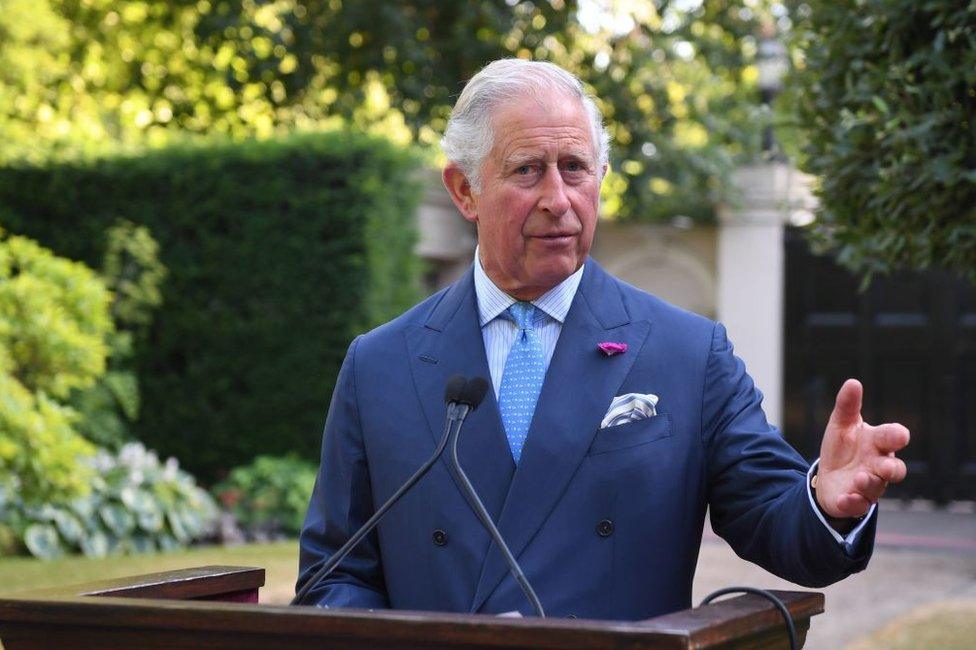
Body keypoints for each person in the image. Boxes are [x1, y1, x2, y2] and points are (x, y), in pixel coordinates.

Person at [295, 59, 909, 620]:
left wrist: (827, 506)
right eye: (527, 170)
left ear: (601, 177)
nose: (558, 200)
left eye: (575, 169)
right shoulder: (380, 364)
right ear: (464, 190)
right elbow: (334, 575)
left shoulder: (687, 355)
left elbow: (773, 518)